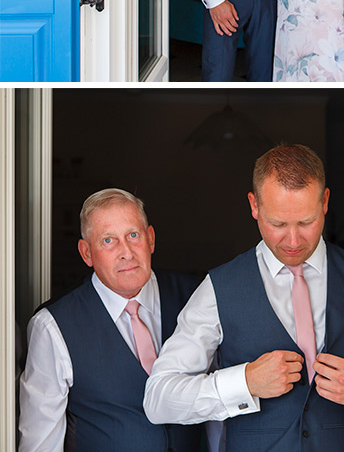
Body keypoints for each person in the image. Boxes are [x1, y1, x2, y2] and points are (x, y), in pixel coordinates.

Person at [143, 144, 344, 449]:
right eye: (278, 224)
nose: (294, 241)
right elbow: (160, 398)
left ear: (324, 202)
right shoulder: (218, 287)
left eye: (306, 222)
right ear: (254, 206)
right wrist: (244, 383)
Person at [18, 189, 205, 452]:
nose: (126, 252)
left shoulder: (197, 297)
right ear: (87, 253)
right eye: (108, 240)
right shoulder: (53, 326)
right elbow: (41, 441)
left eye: (133, 235)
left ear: (150, 239)